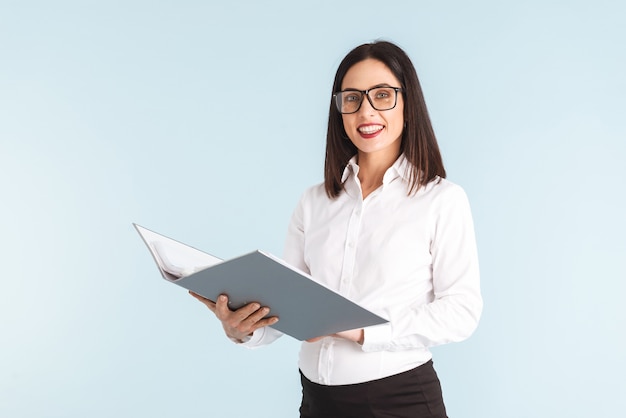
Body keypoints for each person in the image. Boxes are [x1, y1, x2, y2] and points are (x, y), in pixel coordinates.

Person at [190, 40, 482, 418]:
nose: (366, 111)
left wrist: (359, 330)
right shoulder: (314, 202)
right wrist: (241, 329)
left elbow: (462, 311)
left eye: (382, 95)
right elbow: (287, 309)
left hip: (399, 401)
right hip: (317, 401)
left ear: (408, 104)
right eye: (352, 98)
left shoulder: (441, 199)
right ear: (339, 109)